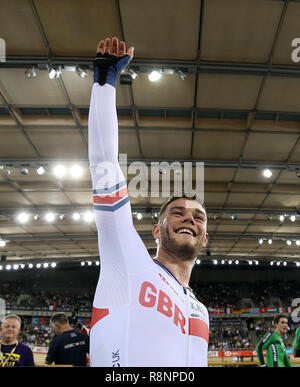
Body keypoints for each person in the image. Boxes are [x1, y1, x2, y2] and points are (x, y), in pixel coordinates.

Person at [89, 37, 209, 367]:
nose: (190, 220)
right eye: (178, 213)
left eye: (198, 217)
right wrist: (105, 82)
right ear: (156, 230)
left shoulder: (202, 310)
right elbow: (103, 164)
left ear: (205, 238)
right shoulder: (128, 263)